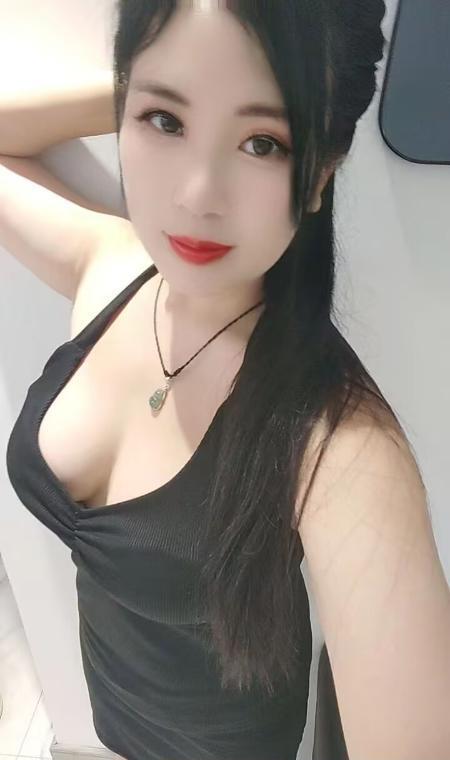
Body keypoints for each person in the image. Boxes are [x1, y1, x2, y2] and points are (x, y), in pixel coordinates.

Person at [4, 2, 450, 760]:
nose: (196, 193)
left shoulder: (343, 452)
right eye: (165, 122)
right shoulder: (109, 267)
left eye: (262, 141)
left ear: (321, 175)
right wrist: (154, 71)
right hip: (113, 733)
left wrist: (178, 86)